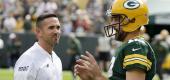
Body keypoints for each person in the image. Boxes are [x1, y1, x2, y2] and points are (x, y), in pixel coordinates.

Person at [74, 0, 156, 80]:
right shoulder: (129, 45)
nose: (112, 24)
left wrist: (98, 76)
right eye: (112, 19)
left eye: (117, 18)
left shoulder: (136, 46)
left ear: (133, 20)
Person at [14, 13, 62, 80]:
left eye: (58, 27)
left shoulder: (57, 59)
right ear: (38, 32)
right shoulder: (28, 59)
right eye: (51, 27)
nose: (56, 31)